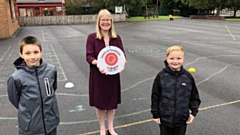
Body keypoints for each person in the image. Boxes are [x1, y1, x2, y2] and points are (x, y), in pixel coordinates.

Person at [7, 36, 60, 135]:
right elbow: (15, 100)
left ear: (41, 52)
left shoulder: (51, 70)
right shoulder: (16, 78)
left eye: (36, 52)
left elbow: (53, 89)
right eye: (27, 53)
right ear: (21, 55)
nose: (32, 57)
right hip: (30, 127)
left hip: (51, 123)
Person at [86, 9, 126, 135]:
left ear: (111, 22)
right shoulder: (92, 38)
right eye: (102, 19)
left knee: (111, 103)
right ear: (98, 22)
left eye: (107, 19)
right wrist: (98, 64)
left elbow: (122, 56)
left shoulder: (116, 38)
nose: (105, 22)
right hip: (98, 76)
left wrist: (122, 65)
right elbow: (89, 56)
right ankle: (102, 128)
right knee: (100, 103)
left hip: (112, 76)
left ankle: (111, 127)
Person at [151, 45, 201, 135]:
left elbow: (194, 96)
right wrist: (155, 114)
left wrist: (193, 112)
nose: (175, 61)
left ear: (183, 59)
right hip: (165, 119)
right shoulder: (161, 76)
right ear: (167, 59)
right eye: (172, 58)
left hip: (181, 119)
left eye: (178, 58)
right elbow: (155, 96)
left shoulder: (187, 77)